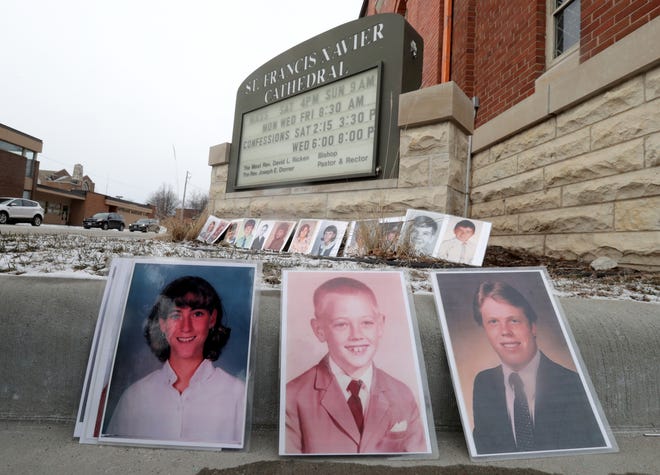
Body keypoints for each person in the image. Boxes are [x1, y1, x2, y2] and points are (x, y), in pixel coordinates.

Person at [285, 277, 427, 454]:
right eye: (342, 324)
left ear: (380, 325)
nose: (357, 335)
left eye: (366, 323)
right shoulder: (292, 397)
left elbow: (417, 460)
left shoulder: (402, 394)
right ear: (319, 330)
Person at [106, 276, 245, 444]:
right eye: (175, 315)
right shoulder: (135, 396)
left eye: (197, 314)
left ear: (212, 319)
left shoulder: (238, 394)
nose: (186, 327)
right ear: (162, 324)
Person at [471, 281, 605, 454]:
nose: (505, 331)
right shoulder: (484, 384)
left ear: (532, 327)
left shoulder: (573, 384)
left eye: (514, 320)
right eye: (493, 322)